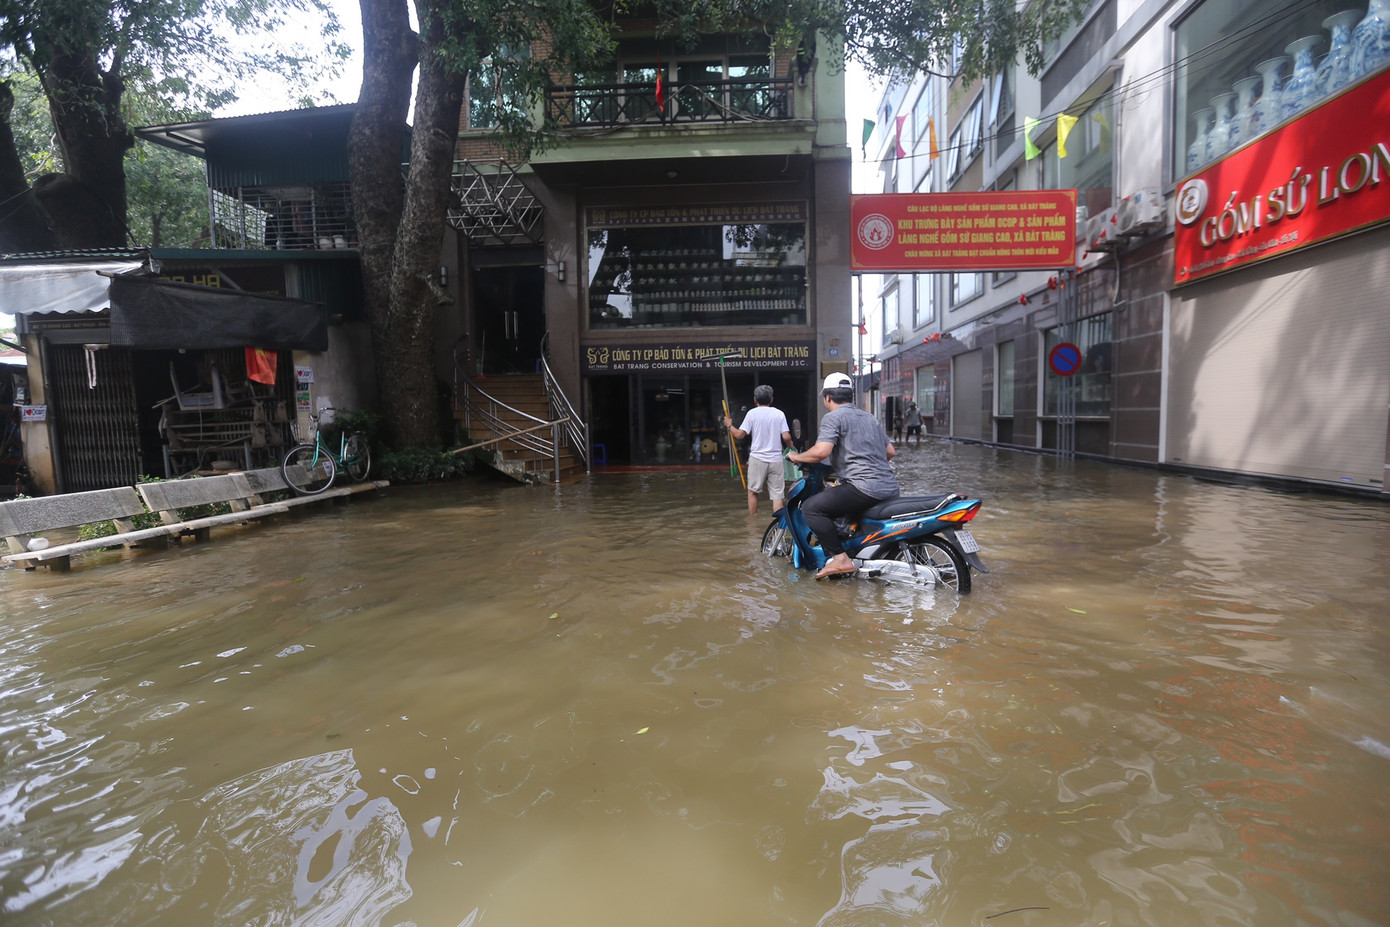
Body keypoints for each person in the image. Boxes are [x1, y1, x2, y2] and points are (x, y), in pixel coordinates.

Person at [788, 372, 899, 579]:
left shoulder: (833, 417)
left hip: (862, 488)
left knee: (812, 508)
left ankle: (840, 559)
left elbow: (822, 452)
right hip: (889, 487)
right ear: (851, 396)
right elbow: (890, 452)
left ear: (827, 398)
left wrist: (798, 456)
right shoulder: (869, 418)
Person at [723, 384, 792, 516]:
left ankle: (753, 526)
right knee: (777, 495)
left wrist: (729, 425)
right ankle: (777, 528)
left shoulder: (752, 414)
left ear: (755, 400)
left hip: (757, 459)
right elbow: (786, 436)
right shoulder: (779, 414)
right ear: (771, 399)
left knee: (753, 492)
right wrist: (790, 446)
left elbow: (739, 435)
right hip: (776, 459)